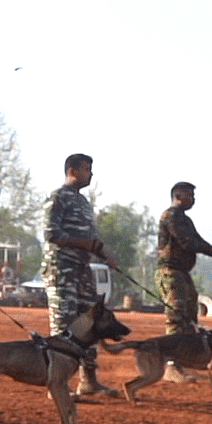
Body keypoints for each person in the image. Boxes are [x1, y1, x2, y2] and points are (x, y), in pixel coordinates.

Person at [41, 153, 121, 395]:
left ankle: (88, 380)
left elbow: (92, 238)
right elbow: (51, 235)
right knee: (63, 327)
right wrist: (84, 245)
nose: (91, 174)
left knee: (90, 323)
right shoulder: (57, 199)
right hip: (61, 270)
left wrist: (103, 254)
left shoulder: (84, 202)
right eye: (87, 169)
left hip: (82, 271)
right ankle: (57, 385)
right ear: (73, 171)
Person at [155, 181, 212, 380]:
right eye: (190, 195)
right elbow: (188, 243)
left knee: (189, 318)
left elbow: (199, 242)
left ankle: (183, 363)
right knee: (176, 315)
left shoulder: (184, 219)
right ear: (178, 196)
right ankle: (171, 367)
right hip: (170, 272)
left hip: (182, 272)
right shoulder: (171, 216)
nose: (193, 199)